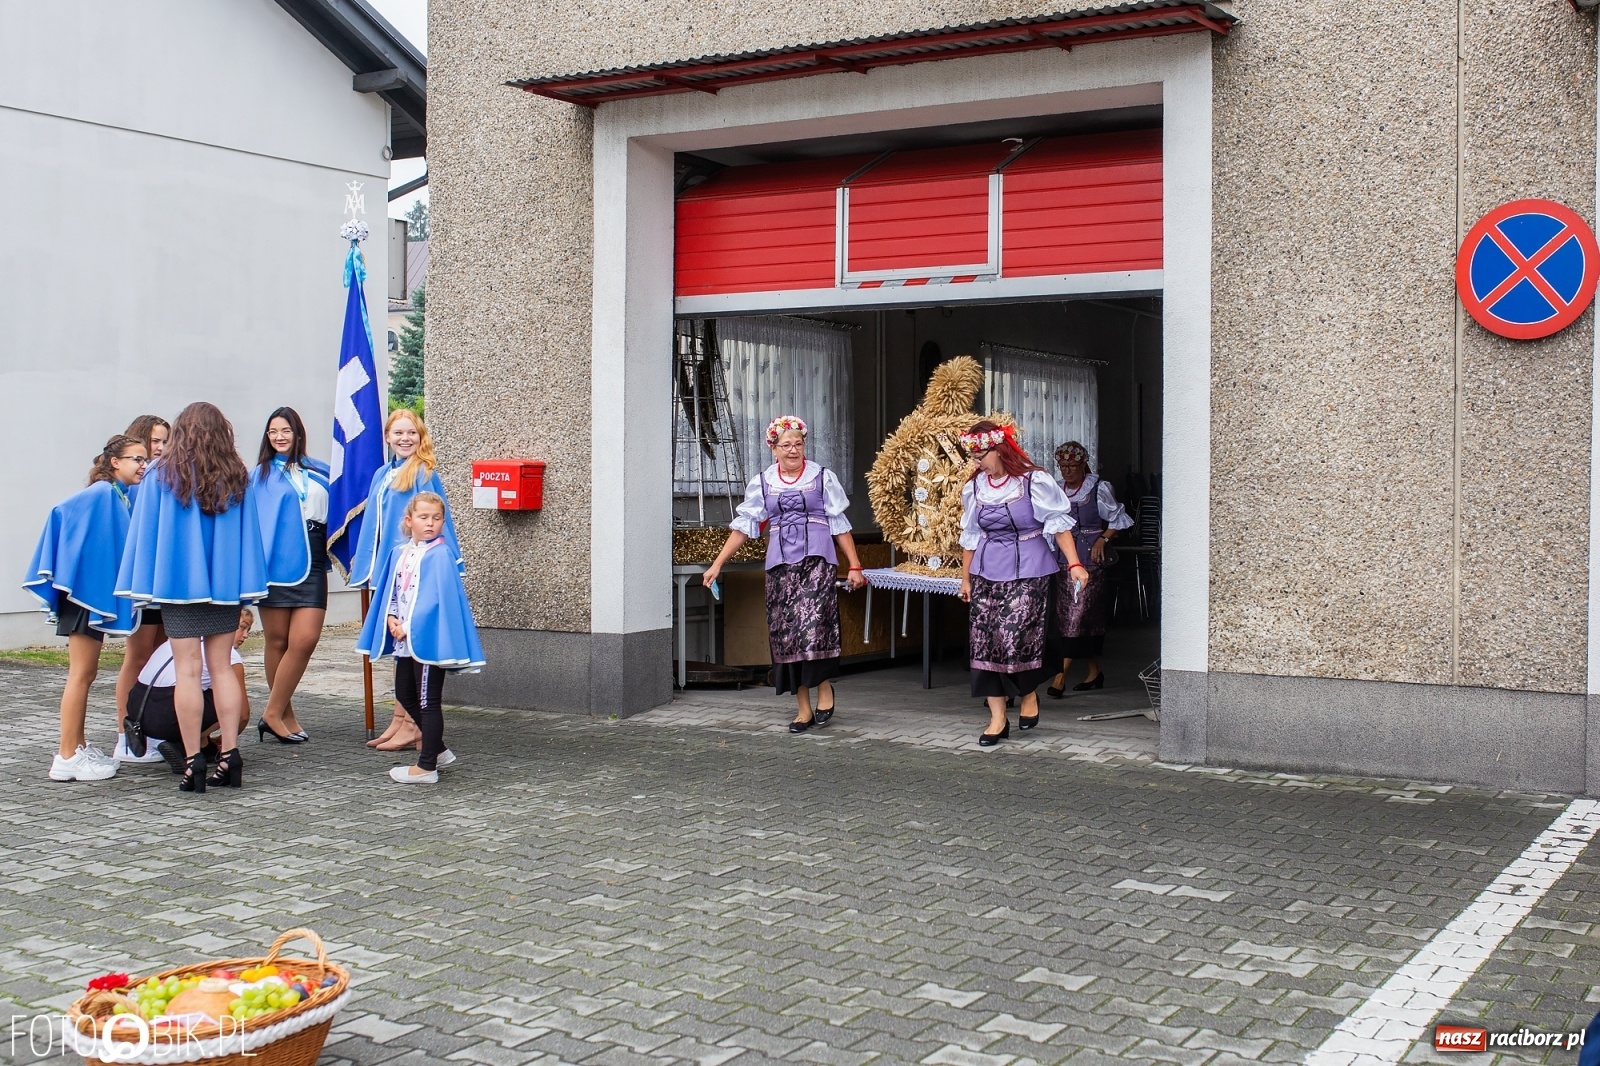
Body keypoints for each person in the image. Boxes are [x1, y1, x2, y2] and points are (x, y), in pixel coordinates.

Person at [116, 401, 267, 793]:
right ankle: (231, 755)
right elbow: (248, 535)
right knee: (220, 669)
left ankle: (193, 762)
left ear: (181, 432)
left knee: (186, 671)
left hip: (178, 588)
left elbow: (145, 534)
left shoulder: (160, 476)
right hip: (223, 588)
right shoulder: (237, 476)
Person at [702, 415, 866, 732]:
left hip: (816, 562)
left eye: (798, 444)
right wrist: (717, 563)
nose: (793, 450)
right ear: (773, 449)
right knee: (787, 634)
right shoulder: (764, 482)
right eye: (786, 445)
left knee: (815, 627)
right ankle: (802, 708)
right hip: (780, 568)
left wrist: (855, 564)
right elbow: (744, 528)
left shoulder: (821, 477)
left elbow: (839, 524)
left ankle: (824, 689)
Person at [24, 434, 148, 781]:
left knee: (87, 674)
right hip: (81, 597)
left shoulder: (117, 495)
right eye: (136, 459)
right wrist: (71, 570)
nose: (143, 465)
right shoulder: (100, 494)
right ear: (115, 462)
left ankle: (77, 746)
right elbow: (60, 514)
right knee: (81, 674)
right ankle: (66, 755)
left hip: (86, 595)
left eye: (144, 459)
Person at [957, 421, 1089, 746]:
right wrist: (965, 579)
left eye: (980, 454)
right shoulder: (974, 488)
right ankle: (997, 718)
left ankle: (1029, 693)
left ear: (999, 449)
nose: (977, 462)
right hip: (987, 570)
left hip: (1029, 568)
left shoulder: (1034, 481)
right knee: (984, 642)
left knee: (1014, 638)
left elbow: (1058, 525)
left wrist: (1073, 563)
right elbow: (971, 536)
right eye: (972, 456)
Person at [349, 409, 462, 752]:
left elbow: (437, 519)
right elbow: (375, 524)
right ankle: (399, 721)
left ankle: (413, 725)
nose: (404, 439)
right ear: (387, 437)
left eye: (411, 433)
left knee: (410, 647)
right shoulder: (384, 473)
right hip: (391, 566)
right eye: (398, 433)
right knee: (398, 648)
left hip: (413, 568)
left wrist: (448, 564)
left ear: (420, 436)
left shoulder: (423, 472)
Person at [357, 493, 484, 784]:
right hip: (404, 641)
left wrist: (409, 626)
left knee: (428, 701)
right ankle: (437, 749)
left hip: (427, 639)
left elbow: (436, 601)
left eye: (436, 518)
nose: (430, 523)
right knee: (404, 693)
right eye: (423, 517)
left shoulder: (440, 555)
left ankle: (426, 767)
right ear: (409, 520)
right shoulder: (401, 552)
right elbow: (393, 592)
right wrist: (390, 617)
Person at [249, 407, 330, 743]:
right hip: (275, 565)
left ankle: (271, 712)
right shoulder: (259, 476)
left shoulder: (321, 470)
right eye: (273, 432)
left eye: (285, 431)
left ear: (298, 434)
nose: (279, 437)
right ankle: (284, 713)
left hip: (312, 558)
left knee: (305, 640)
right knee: (278, 642)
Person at [1047, 441, 1134, 697]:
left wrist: (1103, 538)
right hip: (1063, 562)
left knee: (1078, 616)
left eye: (1073, 465)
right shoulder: (1056, 490)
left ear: (1083, 464)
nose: (1067, 470)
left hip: (1090, 563)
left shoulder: (1098, 488)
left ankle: (1059, 677)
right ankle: (1095, 672)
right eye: (1063, 466)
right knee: (1072, 619)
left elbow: (1118, 518)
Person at [128, 608, 255, 774]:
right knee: (226, 695)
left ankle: (201, 742)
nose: (245, 635)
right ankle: (187, 745)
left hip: (136, 711)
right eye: (241, 627)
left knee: (200, 686)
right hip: (166, 715)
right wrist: (225, 740)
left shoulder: (179, 641)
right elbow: (242, 714)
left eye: (248, 630)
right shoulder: (230, 657)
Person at [113, 414, 171, 764]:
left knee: (163, 655)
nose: (160, 447)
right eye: (154, 441)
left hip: (165, 585)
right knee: (138, 656)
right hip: (142, 586)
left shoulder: (165, 479)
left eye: (165, 440)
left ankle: (158, 728)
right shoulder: (133, 486)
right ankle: (126, 734)